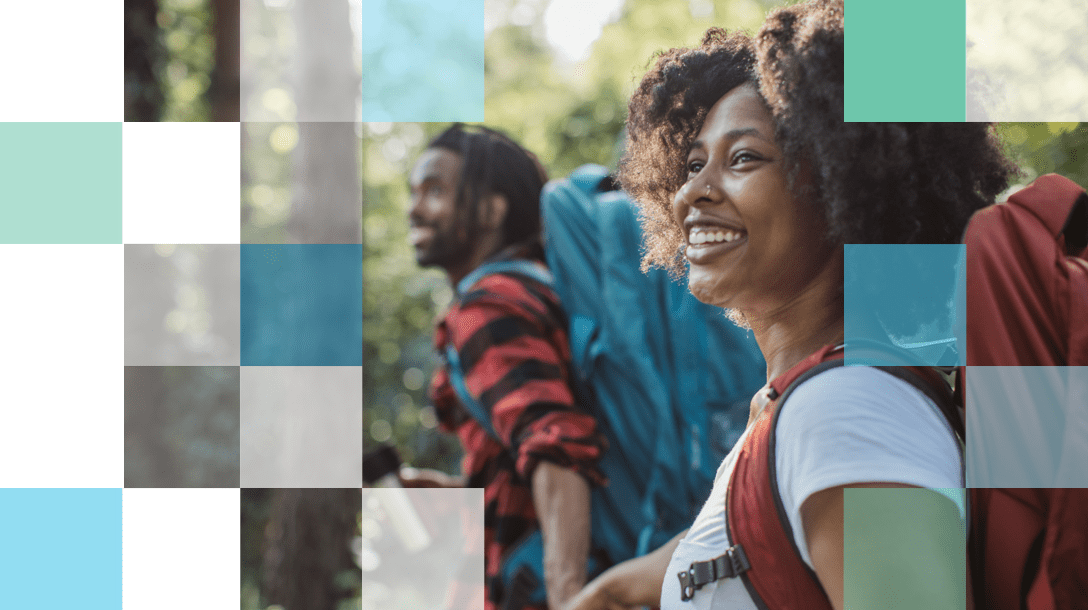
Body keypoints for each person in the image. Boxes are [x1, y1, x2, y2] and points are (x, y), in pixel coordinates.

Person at [565, 1, 1018, 608]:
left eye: (743, 158)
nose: (693, 192)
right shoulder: (794, 408)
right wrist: (610, 590)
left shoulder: (847, 409)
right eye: (694, 163)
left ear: (841, 189)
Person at [401, 123, 608, 610]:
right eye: (414, 191)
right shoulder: (540, 287)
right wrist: (462, 492)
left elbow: (557, 445)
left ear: (494, 209)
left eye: (435, 190)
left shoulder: (486, 308)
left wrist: (567, 599)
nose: (414, 208)